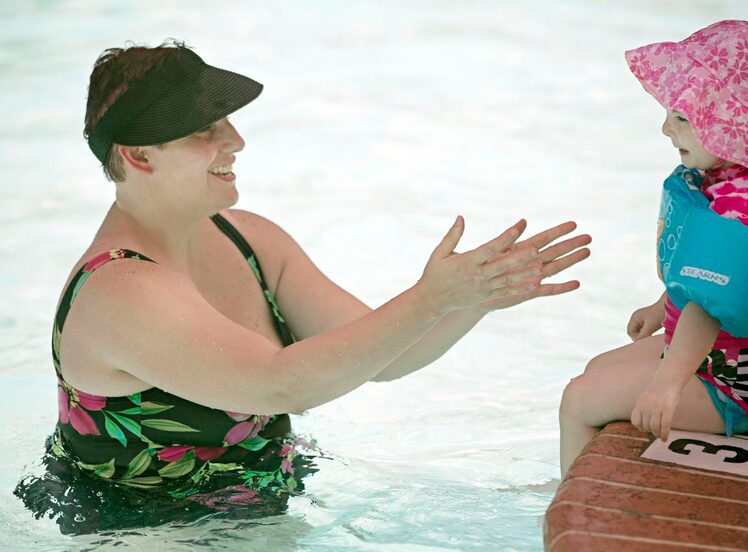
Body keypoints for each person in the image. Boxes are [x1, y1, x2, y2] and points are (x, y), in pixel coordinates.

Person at [14, 40, 591, 533]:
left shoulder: (247, 239)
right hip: (143, 529)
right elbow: (279, 385)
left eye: (229, 122)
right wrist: (431, 297)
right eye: (206, 130)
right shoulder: (121, 290)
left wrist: (474, 297)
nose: (235, 141)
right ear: (139, 156)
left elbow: (385, 355)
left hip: (258, 509)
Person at [558, 20, 748, 476]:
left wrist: (667, 385)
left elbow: (710, 304)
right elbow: (706, 270)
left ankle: (573, 513)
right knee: (597, 368)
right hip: (714, 358)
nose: (664, 129)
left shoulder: (745, 209)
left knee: (578, 400)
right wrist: (662, 308)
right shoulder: (738, 180)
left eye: (680, 118)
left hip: (733, 386)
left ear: (730, 128)